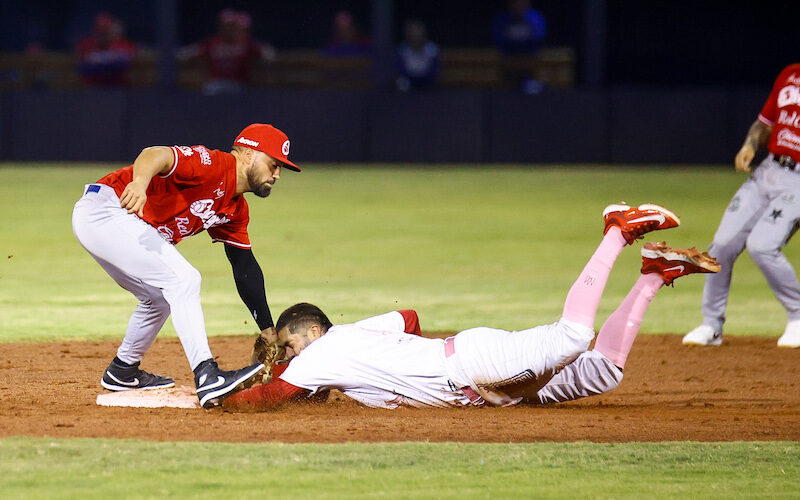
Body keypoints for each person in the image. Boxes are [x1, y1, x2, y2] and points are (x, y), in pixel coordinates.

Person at [223, 203, 720, 411]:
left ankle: (617, 230)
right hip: (480, 382)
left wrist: (219, 400)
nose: (290, 354)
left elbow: (271, 396)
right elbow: (409, 319)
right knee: (602, 372)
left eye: (290, 344)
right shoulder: (352, 339)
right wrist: (404, 361)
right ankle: (655, 274)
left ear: (311, 331)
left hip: (471, 365)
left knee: (571, 337)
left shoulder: (326, 352)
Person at [72, 123, 300, 408]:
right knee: (184, 279)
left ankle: (123, 371)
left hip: (119, 224)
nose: (277, 175)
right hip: (107, 209)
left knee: (158, 297)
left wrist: (267, 328)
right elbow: (154, 153)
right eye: (274, 164)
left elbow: (244, 266)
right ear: (248, 155)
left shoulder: (236, 208)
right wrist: (140, 183)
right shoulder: (214, 165)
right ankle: (207, 376)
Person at [683, 63, 800, 349]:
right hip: (769, 170)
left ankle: (798, 317)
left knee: (763, 246)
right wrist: (750, 144)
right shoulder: (790, 74)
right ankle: (711, 325)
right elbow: (764, 124)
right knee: (721, 244)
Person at [179, 9, 276, 95]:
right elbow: (187, 52)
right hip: (216, 84)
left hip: (238, 85)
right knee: (210, 91)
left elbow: (267, 52)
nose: (230, 30)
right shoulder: (212, 42)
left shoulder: (247, 43)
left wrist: (267, 57)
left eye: (233, 27)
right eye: (227, 26)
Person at [492, 0, 546, 94]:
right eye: (516, 3)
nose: (519, 6)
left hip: (530, 57)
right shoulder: (501, 19)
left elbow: (538, 38)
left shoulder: (535, 18)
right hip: (508, 58)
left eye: (522, 3)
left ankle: (531, 84)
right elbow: (499, 39)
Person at [75, 12, 137, 87]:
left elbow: (125, 64)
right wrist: (109, 59)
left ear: (111, 31)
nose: (102, 35)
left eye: (105, 32)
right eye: (99, 31)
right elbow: (82, 66)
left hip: (118, 87)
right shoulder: (86, 44)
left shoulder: (124, 44)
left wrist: (98, 60)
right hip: (92, 87)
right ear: (94, 31)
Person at [395, 19, 440, 92]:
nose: (415, 36)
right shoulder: (403, 50)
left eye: (417, 33)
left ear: (423, 34)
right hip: (408, 83)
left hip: (427, 82)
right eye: (412, 34)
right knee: (402, 84)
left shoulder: (431, 50)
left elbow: (434, 71)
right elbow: (400, 70)